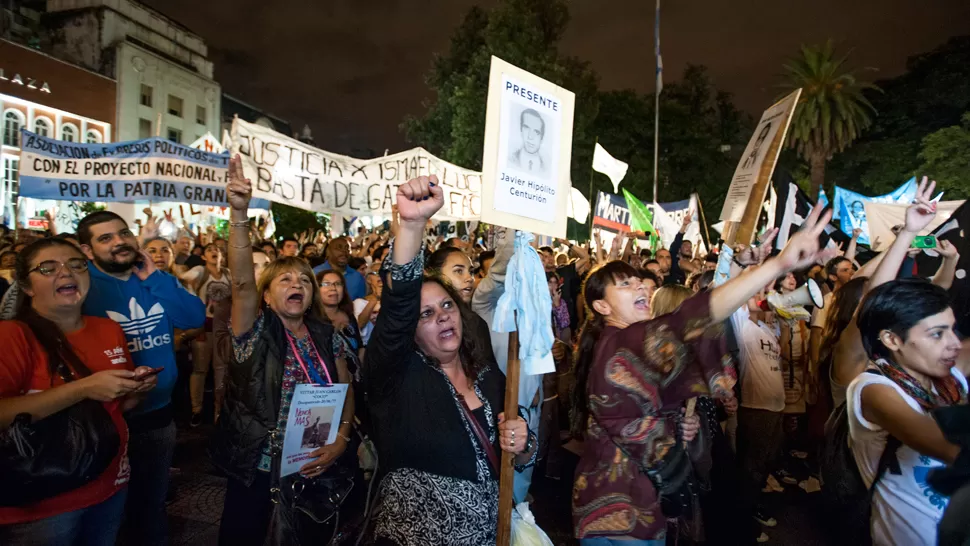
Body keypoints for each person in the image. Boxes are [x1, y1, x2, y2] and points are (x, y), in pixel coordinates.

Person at [571, 203, 834, 544]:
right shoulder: (620, 342)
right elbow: (694, 317)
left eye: (640, 283)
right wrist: (778, 264)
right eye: (625, 284)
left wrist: (677, 423)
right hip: (619, 517)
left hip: (641, 506)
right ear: (601, 307)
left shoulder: (625, 343)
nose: (640, 288)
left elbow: (641, 409)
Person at [365, 175, 536, 545]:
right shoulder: (397, 379)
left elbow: (520, 453)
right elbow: (397, 311)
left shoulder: (489, 377)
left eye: (446, 306)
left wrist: (524, 444)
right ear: (409, 333)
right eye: (425, 315)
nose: (442, 315)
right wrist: (412, 225)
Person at [210, 155, 356, 546]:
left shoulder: (328, 336)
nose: (298, 284)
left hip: (312, 462)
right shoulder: (255, 330)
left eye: (305, 281)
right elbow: (241, 283)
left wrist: (340, 440)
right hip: (259, 465)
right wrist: (239, 213)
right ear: (269, 296)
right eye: (286, 279)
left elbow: (345, 389)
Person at [0, 238, 158, 545]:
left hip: (109, 482)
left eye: (76, 264)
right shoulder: (12, 336)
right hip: (43, 500)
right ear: (27, 286)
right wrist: (84, 387)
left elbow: (116, 408)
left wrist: (137, 388)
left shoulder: (109, 329)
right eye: (48, 268)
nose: (66, 273)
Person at [839, 178, 967, 545]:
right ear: (891, 339)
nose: (953, 344)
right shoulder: (873, 388)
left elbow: (927, 310)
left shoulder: (952, 374)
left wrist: (951, 259)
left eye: (953, 330)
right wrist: (906, 235)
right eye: (937, 335)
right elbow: (940, 442)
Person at [76, 211, 206, 546]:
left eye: (123, 233)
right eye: (105, 238)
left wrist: (155, 279)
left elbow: (193, 317)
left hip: (159, 419)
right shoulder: (80, 286)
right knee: (104, 514)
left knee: (151, 506)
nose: (119, 242)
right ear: (87, 251)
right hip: (103, 423)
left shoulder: (154, 278)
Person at [181, 243, 232, 426]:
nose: (214, 252)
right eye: (210, 250)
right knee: (200, 370)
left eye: (217, 249)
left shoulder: (228, 274)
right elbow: (185, 278)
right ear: (203, 256)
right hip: (203, 328)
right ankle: (197, 410)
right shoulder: (200, 271)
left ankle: (220, 410)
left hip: (225, 331)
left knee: (222, 370)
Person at [313, 236, 366, 300]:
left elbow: (361, 302)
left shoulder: (357, 276)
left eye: (347, 248)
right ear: (328, 252)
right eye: (339, 248)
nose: (344, 251)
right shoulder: (315, 273)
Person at [509, 108, 548, 176]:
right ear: (521, 130)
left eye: (536, 132)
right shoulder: (509, 160)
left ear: (541, 138)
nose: (530, 137)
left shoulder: (546, 169)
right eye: (526, 128)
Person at [354, 271, 382, 346]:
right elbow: (360, 325)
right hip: (369, 346)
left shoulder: (395, 300)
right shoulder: (359, 302)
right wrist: (375, 298)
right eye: (376, 272)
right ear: (369, 280)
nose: (380, 275)